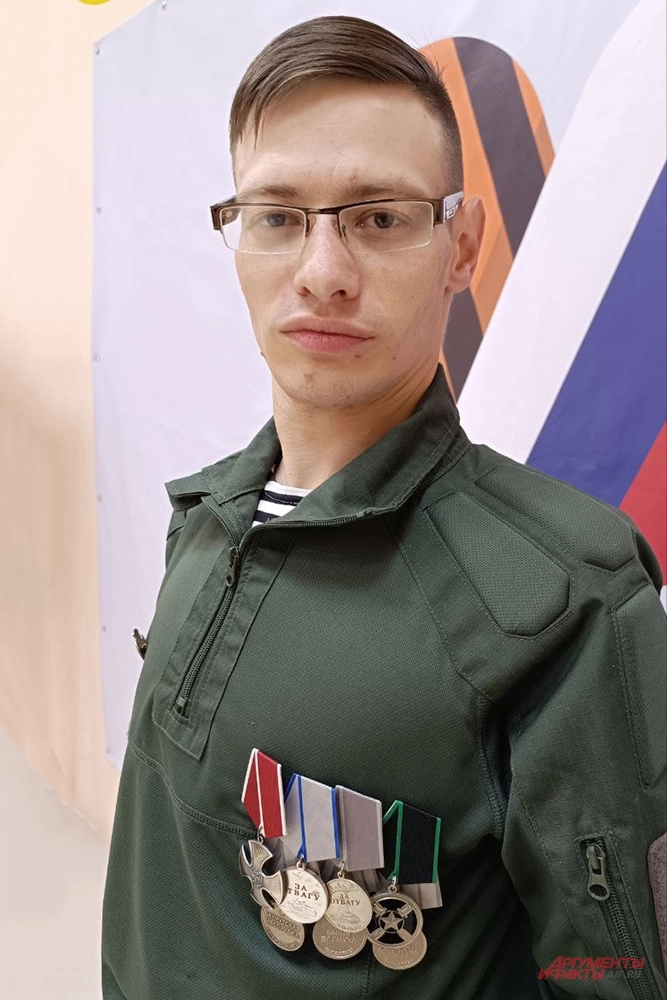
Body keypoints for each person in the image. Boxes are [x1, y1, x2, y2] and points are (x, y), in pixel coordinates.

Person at [101, 15, 667, 1000]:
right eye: (277, 216)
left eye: (378, 217)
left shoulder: (564, 602)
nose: (321, 271)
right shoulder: (202, 520)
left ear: (462, 245)